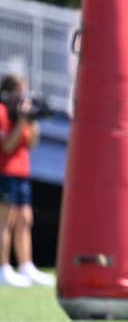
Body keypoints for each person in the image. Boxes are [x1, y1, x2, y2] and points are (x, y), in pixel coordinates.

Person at [0, 74, 55, 287]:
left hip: (22, 172)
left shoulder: (19, 116)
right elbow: (7, 146)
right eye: (19, 92)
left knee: (25, 218)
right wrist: (21, 122)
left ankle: (26, 265)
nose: (23, 97)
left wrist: (32, 123)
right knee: (5, 221)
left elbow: (30, 144)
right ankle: (4, 267)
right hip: (5, 172)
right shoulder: (3, 113)